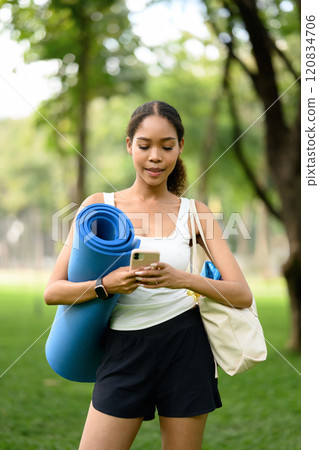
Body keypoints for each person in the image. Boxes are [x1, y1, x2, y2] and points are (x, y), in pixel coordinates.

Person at [44, 101, 252, 450]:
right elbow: (53, 291)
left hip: (186, 348)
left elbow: (241, 293)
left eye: (167, 146)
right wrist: (104, 286)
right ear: (129, 146)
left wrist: (182, 279)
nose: (155, 156)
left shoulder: (195, 213)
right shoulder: (99, 207)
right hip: (124, 348)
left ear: (180, 147)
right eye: (144, 146)